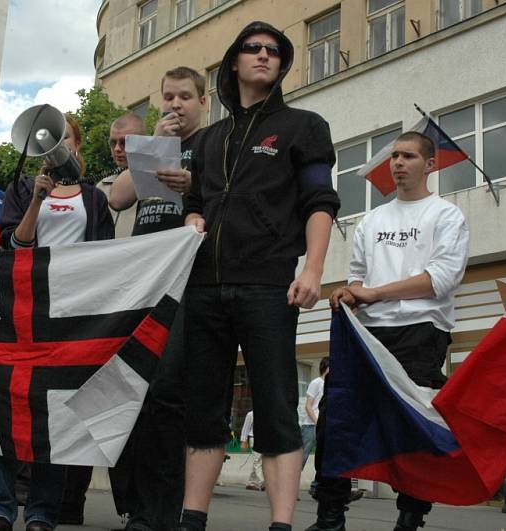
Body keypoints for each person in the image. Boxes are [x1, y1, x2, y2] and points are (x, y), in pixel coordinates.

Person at [181, 21, 340, 531]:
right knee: (204, 406)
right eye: (253, 48)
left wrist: (313, 269)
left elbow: (320, 201)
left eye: (274, 51)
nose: (264, 55)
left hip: (269, 283)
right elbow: (192, 202)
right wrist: (192, 218)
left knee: (275, 404)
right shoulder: (207, 139)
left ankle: (281, 522)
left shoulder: (303, 126)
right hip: (204, 285)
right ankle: (192, 517)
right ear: (233, 61)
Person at [308, 132, 469, 531]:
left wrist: (375, 293)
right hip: (367, 334)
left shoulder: (446, 216)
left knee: (412, 425)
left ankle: (411, 517)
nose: (398, 162)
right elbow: (358, 279)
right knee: (336, 416)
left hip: (421, 332)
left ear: (430, 164)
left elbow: (441, 280)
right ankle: (330, 515)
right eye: (394, 156)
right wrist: (348, 294)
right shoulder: (372, 220)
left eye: (408, 156)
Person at [0, 113, 114, 531]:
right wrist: (38, 199)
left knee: (56, 414)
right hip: (23, 308)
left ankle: (42, 510)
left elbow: (104, 259)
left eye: (66, 142)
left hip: (70, 315)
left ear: (76, 148)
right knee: (6, 406)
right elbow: (14, 244)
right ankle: (0, 507)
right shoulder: (22, 190)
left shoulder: (94, 199)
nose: (58, 151)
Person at [106, 66, 205, 531]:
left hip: (183, 284)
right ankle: (135, 503)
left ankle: (160, 511)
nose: (176, 105)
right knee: (134, 394)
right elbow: (119, 199)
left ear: (202, 102)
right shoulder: (149, 149)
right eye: (169, 97)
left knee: (166, 394)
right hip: (141, 283)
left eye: (185, 96)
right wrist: (153, 150)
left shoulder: (209, 146)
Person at [102, 113, 146, 237]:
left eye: (124, 142)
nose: (117, 149)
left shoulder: (156, 180)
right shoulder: (101, 186)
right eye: (113, 143)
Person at [300, 358, 328, 472]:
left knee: (322, 456)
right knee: (302, 456)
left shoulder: (329, 384)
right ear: (325, 368)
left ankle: (317, 483)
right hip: (311, 426)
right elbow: (308, 406)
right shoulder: (316, 383)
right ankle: (287, 482)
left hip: (322, 427)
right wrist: (318, 422)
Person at [240, 411, 264, 491]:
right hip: (254, 438)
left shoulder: (269, 412)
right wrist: (243, 440)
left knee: (259, 461)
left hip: (265, 439)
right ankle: (263, 483)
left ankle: (251, 483)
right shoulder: (251, 414)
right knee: (257, 460)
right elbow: (245, 427)